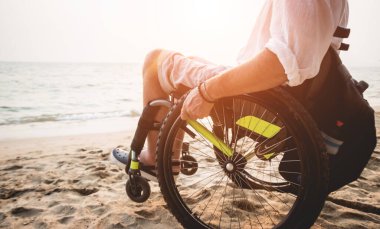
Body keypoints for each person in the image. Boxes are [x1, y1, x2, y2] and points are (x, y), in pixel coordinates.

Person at [111, 0, 349, 179]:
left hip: (265, 101)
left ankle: (155, 159)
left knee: (155, 61)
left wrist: (207, 92)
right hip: (288, 100)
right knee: (189, 59)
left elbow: (283, 64)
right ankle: (168, 157)